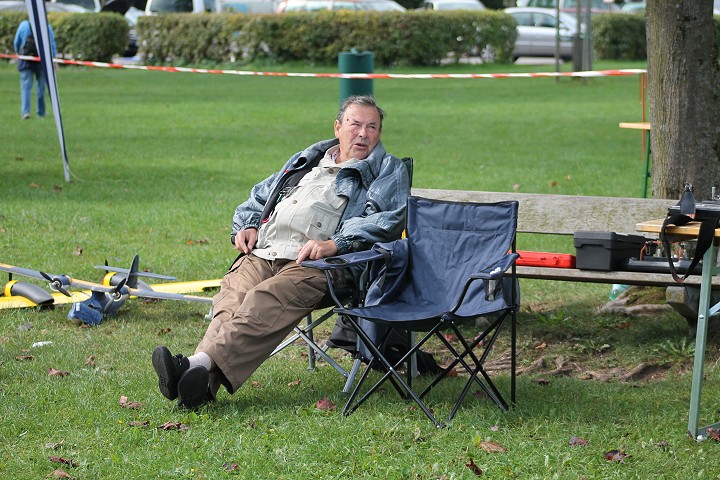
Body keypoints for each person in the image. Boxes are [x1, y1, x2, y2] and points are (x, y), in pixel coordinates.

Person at [153, 95, 411, 409]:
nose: (363, 134)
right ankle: (198, 385)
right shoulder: (308, 159)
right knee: (230, 301)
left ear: (379, 134)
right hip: (265, 250)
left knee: (262, 301)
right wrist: (247, 225)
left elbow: (387, 219)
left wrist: (336, 244)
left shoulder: (386, 169)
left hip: (321, 264)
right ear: (338, 127)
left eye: (372, 128)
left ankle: (190, 367)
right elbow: (260, 196)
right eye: (355, 124)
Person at [13, 19, 57, 120]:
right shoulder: (46, 26)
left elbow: (16, 41)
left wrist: (17, 52)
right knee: (41, 88)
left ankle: (25, 112)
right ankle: (41, 112)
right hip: (41, 61)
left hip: (25, 61)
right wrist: (54, 59)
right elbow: (52, 44)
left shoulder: (24, 25)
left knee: (25, 88)